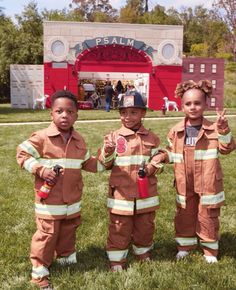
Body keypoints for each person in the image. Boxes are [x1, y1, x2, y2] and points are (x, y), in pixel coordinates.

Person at [16, 90, 104, 289]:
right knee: (47, 235)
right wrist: (40, 169)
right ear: (51, 114)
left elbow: (89, 163)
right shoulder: (42, 137)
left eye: (70, 112)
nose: (65, 115)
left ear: (77, 115)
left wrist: (107, 158)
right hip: (50, 201)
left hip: (72, 201)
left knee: (68, 230)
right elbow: (21, 153)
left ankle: (65, 260)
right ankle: (39, 273)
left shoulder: (79, 140)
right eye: (59, 111)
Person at [156, 80, 235, 263]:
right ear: (182, 106)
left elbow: (227, 148)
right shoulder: (175, 131)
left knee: (208, 215)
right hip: (184, 181)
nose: (193, 107)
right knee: (184, 214)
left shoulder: (213, 129)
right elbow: (172, 153)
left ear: (205, 104)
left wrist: (223, 129)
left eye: (197, 103)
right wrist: (162, 156)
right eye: (188, 104)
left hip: (208, 182)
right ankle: (185, 246)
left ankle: (209, 250)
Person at [98, 91, 164, 272]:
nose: (128, 117)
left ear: (143, 113)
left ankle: (143, 252)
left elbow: (159, 159)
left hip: (146, 193)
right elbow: (105, 163)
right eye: (124, 112)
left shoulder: (151, 137)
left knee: (146, 225)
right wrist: (108, 150)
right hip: (121, 193)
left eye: (133, 112)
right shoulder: (113, 137)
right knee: (119, 226)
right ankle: (116, 259)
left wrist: (152, 167)